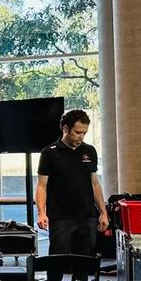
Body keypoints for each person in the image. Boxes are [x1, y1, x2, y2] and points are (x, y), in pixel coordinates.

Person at [35, 109, 109, 256]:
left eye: (84, 133)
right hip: (60, 218)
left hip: (87, 217)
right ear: (65, 129)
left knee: (83, 263)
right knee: (58, 262)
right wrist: (41, 213)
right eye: (77, 132)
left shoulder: (89, 151)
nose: (81, 137)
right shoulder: (49, 153)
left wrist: (103, 212)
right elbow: (41, 186)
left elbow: (95, 183)